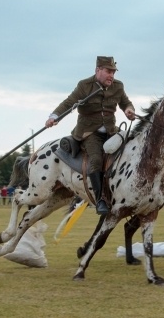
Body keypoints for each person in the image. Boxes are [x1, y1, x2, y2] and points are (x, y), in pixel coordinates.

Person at [45, 56, 136, 215]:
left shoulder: (118, 86)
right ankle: (100, 199)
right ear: (98, 70)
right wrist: (54, 117)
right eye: (108, 71)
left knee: (131, 149)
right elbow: (68, 102)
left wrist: (129, 110)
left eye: (113, 72)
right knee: (96, 159)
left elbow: (125, 102)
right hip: (89, 132)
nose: (111, 76)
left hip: (111, 130)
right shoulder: (84, 86)